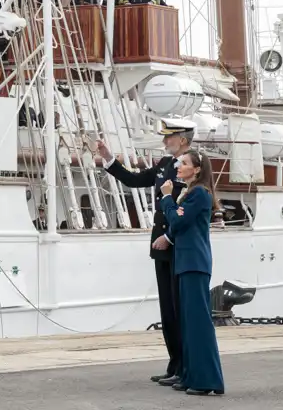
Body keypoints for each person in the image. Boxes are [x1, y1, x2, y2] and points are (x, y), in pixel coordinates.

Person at [96, 119, 191, 384]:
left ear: (182, 139)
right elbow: (135, 180)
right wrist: (109, 160)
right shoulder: (163, 165)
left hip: (175, 244)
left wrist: (169, 238)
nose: (164, 142)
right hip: (159, 244)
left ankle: (185, 367)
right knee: (167, 310)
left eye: (169, 138)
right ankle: (174, 365)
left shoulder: (191, 167)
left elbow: (185, 209)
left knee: (177, 306)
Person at [159, 150, 225, 396]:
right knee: (188, 323)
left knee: (198, 323)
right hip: (187, 263)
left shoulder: (199, 193)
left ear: (197, 169)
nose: (178, 166)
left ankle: (207, 379)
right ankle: (192, 375)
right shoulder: (192, 193)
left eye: (184, 163)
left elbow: (178, 222)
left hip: (194, 264)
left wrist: (167, 199)